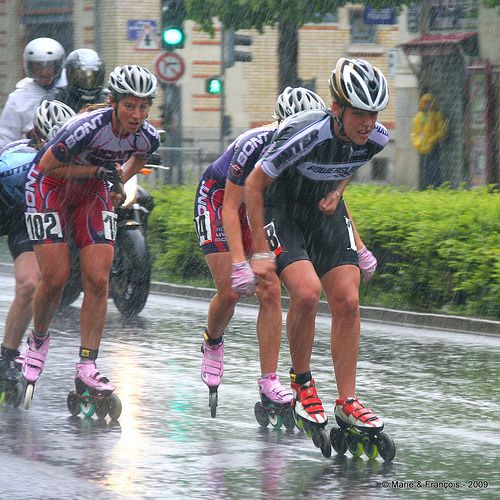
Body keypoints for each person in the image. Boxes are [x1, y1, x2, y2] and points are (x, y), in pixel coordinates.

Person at [194, 86, 377, 418]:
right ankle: (213, 339)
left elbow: (333, 184)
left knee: (270, 287)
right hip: (219, 198)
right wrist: (239, 261)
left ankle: (269, 380)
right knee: (231, 291)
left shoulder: (319, 141)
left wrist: (359, 246)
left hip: (262, 204)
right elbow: (232, 206)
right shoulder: (257, 145)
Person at [245, 58, 390, 442]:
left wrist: (337, 191)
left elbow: (349, 163)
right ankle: (302, 379)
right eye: (359, 113)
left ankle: (347, 400)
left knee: (347, 300)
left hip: (323, 210)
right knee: (307, 294)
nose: (367, 123)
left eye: (373, 114)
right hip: (283, 209)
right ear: (336, 109)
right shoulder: (305, 133)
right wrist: (260, 251)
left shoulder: (376, 137)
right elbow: (254, 187)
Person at [21, 65, 160, 408]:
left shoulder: (148, 135)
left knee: (98, 280)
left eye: (144, 107)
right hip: (50, 188)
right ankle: (37, 340)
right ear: (112, 102)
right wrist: (99, 171)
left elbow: (139, 157)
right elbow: (45, 167)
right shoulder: (84, 128)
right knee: (55, 279)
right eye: (130, 105)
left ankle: (87, 364)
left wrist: (118, 180)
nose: (137, 114)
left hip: (91, 192)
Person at [0, 100, 76, 399]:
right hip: (11, 211)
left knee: (30, 284)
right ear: (38, 138)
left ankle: (6, 357)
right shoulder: (16, 159)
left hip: (36, 219)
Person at [0, 38, 66, 149]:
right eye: (38, 67)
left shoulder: (69, 90)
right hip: (30, 159)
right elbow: (5, 138)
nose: (44, 72)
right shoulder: (18, 98)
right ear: (30, 67)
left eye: (49, 66)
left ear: (58, 66)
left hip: (66, 157)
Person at [48, 48, 108, 112]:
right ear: (69, 74)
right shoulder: (57, 98)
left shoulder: (106, 99)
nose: (88, 83)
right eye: (82, 79)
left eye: (93, 79)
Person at [411, 92, 448, 189]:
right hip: (422, 148)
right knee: (425, 168)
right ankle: (427, 186)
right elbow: (415, 132)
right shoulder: (418, 117)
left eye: (430, 102)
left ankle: (435, 186)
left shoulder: (437, 115)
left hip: (433, 147)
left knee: (434, 168)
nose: (428, 105)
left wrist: (433, 139)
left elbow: (442, 130)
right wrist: (417, 143)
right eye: (426, 102)